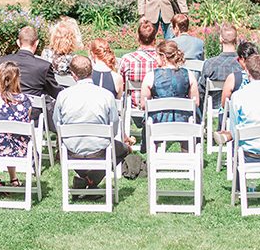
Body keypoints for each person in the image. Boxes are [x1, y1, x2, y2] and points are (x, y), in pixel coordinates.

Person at [54, 56, 135, 189]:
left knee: (114, 148)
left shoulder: (63, 96)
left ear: (73, 75)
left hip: (72, 149)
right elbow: (114, 129)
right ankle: (91, 181)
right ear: (92, 72)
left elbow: (57, 123)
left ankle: (86, 180)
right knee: (125, 150)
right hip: (100, 149)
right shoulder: (106, 95)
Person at [213, 54, 260, 162]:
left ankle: (227, 138)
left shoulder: (238, 96)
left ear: (248, 73)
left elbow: (234, 127)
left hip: (247, 155)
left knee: (234, 133)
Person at [0, 61, 32, 186]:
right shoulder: (25, 101)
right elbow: (25, 122)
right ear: (17, 79)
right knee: (12, 136)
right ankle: (13, 179)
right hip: (21, 151)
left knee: (1, 136)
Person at [0, 26, 62, 101]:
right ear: (36, 43)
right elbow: (56, 93)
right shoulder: (44, 66)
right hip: (32, 110)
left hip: (6, 107)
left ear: (18, 42)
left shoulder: (3, 61)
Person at [140, 40, 197, 124]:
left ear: (163, 57)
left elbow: (144, 105)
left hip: (157, 125)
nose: (155, 58)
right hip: (183, 124)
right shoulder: (189, 74)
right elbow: (195, 103)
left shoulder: (150, 76)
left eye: (157, 55)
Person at [118, 20, 162, 107]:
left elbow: (120, 84)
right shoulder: (161, 60)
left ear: (138, 38)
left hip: (133, 105)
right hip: (155, 104)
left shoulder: (127, 59)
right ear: (155, 40)